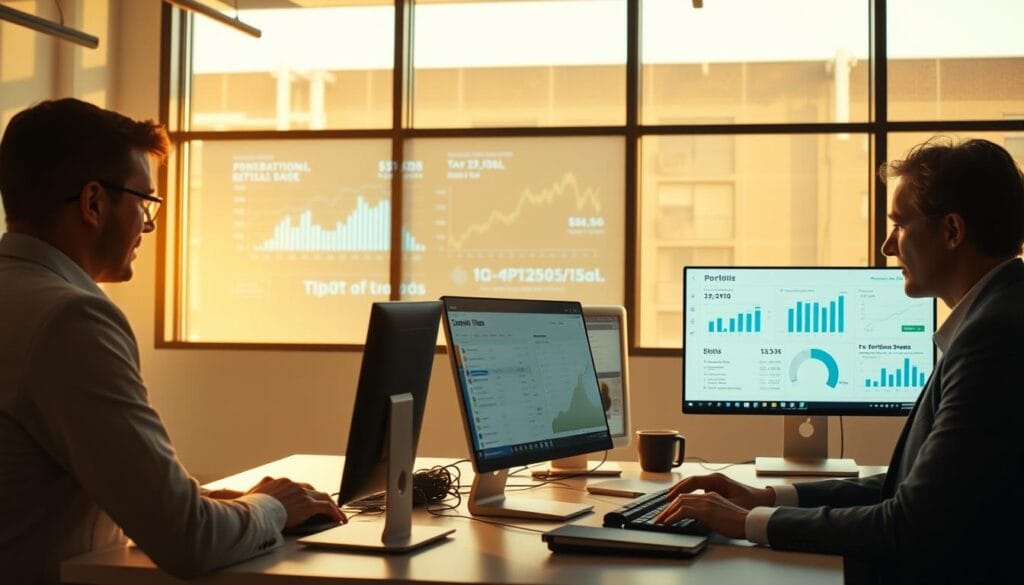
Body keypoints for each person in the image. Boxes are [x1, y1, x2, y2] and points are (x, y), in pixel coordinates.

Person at [0, 98, 346, 584]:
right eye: (144, 203)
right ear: (93, 204)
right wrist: (273, 508)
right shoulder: (70, 320)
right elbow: (188, 540)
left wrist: (211, 503)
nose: (147, 225)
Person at [657, 137, 1024, 584]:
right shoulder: (997, 315)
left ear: (952, 231)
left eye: (900, 224)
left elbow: (910, 522)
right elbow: (905, 488)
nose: (887, 246)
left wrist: (746, 523)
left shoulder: (994, 336)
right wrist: (765, 498)